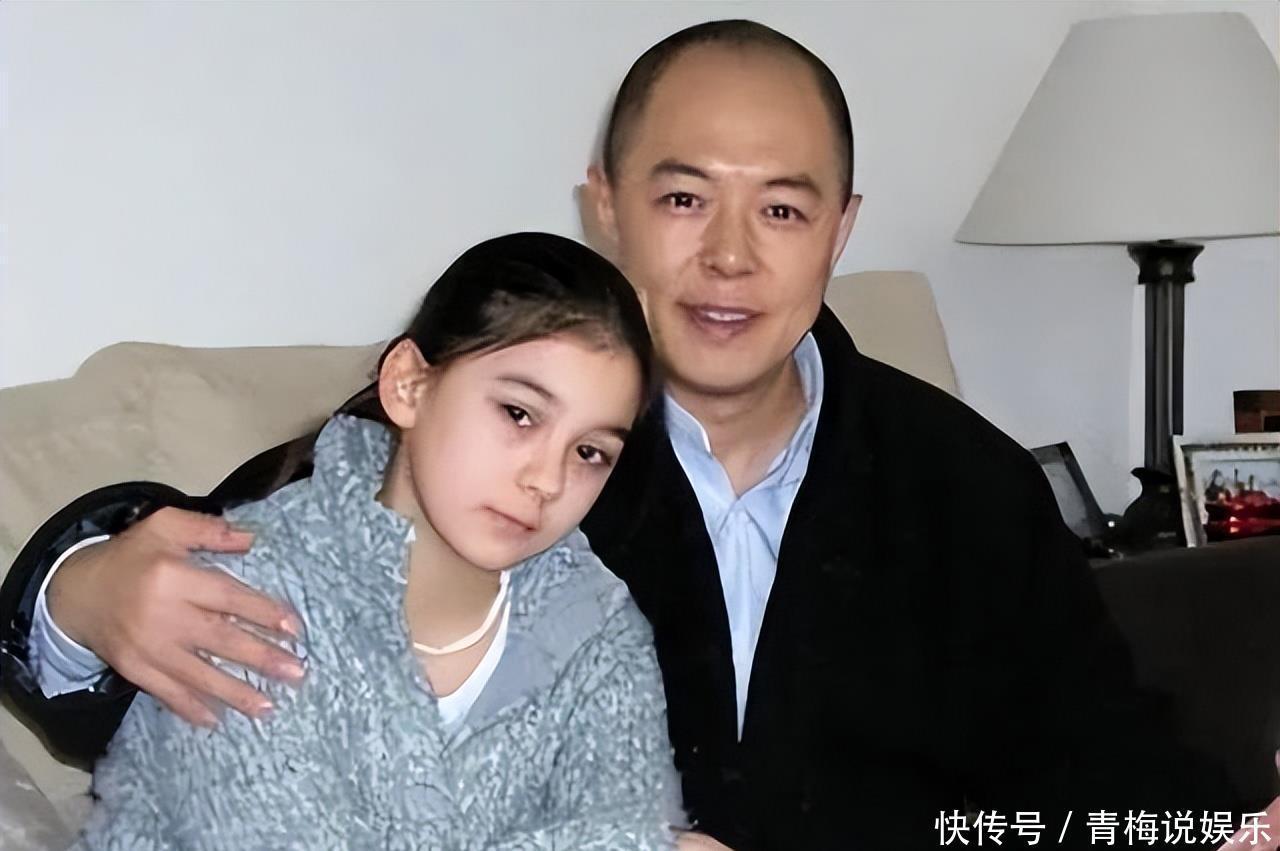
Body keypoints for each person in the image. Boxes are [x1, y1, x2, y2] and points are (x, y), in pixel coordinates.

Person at [0, 19, 1235, 850]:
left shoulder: (964, 481)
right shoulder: (487, 442)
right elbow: (231, 576)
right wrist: (81, 589)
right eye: (683, 196)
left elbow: (1098, 752)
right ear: (604, 205)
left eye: (782, 209)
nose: (730, 256)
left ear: (841, 227)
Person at [70, 232, 682, 849]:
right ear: (408, 385)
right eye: (519, 414)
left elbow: (630, 820)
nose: (547, 480)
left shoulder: (599, 624)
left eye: (589, 452)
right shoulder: (244, 593)